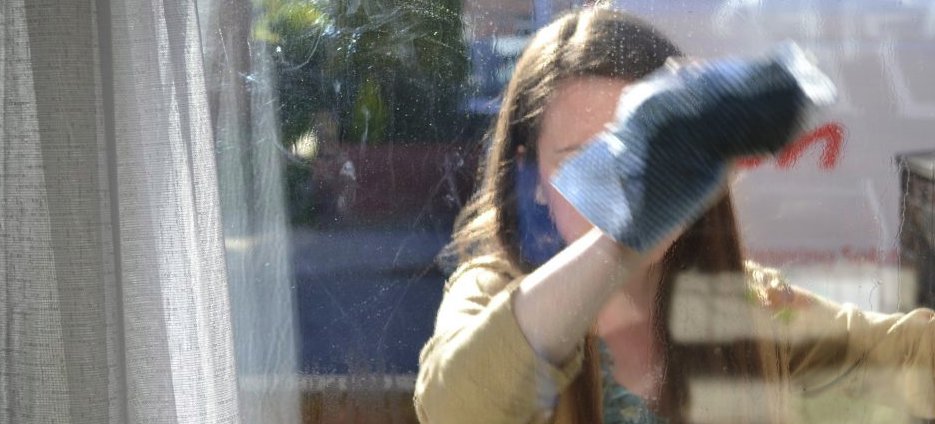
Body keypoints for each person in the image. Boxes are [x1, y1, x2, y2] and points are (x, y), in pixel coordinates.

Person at [414, 8, 935, 424]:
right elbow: (454, 408)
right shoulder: (492, 290)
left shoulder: (747, 305)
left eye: (641, 155)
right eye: (579, 160)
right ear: (535, 181)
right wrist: (620, 241)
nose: (619, 185)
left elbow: (911, 358)